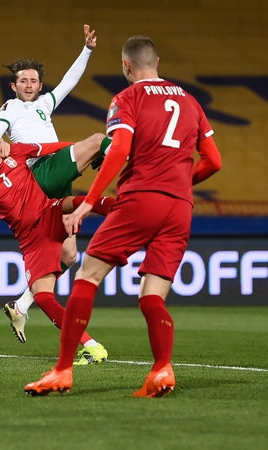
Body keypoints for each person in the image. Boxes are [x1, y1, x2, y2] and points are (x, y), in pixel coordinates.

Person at [24, 36, 222, 397]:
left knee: (87, 276)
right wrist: (178, 183)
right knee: (152, 296)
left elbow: (118, 150)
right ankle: (162, 369)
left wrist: (88, 202)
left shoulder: (127, 98)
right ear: (157, 61)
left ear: (126, 66)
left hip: (140, 199)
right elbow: (214, 161)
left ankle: (63, 371)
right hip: (179, 207)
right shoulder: (191, 101)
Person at [0, 124, 115, 363]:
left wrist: (93, 152)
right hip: (32, 238)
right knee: (44, 296)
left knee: (78, 202)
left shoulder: (17, 152)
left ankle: (126, 208)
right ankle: (92, 346)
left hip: (49, 211)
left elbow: (53, 148)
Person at [0, 24, 110, 364]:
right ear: (13, 86)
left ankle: (21, 305)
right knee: (94, 140)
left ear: (40, 85)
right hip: (42, 173)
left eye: (33, 81)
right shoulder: (10, 109)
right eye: (22, 81)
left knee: (70, 256)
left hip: (58, 184)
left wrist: (87, 50)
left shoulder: (46, 102)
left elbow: (70, 82)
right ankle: (130, 154)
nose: (28, 85)